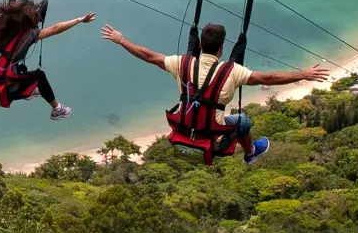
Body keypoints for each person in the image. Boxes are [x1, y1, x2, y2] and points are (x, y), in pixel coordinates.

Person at [101, 22, 329, 164]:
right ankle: (250, 153)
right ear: (221, 49)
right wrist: (302, 74)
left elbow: (149, 55)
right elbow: (267, 78)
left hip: (183, 125)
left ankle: (249, 152)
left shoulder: (182, 64)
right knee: (243, 121)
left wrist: (122, 40)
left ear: (200, 45)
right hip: (212, 132)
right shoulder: (232, 72)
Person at [0, 0, 95, 120]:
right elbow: (55, 29)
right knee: (39, 76)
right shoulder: (28, 35)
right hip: (7, 90)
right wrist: (79, 20)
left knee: (20, 70)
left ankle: (29, 90)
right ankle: (57, 109)